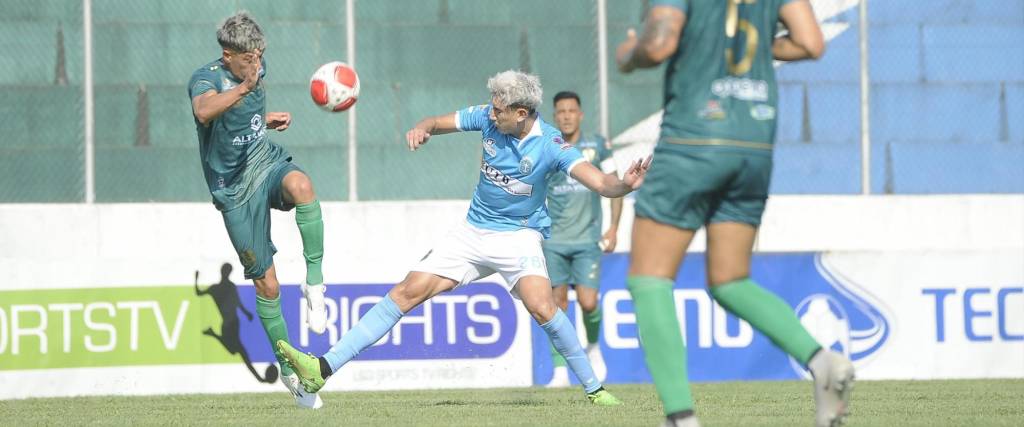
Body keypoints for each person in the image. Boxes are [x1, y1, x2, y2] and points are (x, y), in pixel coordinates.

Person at [277, 70, 651, 406]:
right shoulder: (488, 117)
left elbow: (601, 182)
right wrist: (422, 128)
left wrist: (625, 184)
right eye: (491, 106)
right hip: (472, 232)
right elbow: (438, 121)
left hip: (518, 237)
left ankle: (594, 389)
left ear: (520, 114)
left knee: (542, 306)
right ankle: (321, 369)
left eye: (499, 109)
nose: (491, 113)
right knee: (407, 292)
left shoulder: (551, 145)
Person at [615, 1, 852, 426]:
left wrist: (628, 55)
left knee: (649, 278)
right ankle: (820, 362)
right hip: (754, 146)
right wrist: (760, 51)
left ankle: (681, 418)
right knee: (730, 281)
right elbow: (811, 43)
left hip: (695, 139)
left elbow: (658, 46)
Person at [188, 11, 329, 409]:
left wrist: (263, 119)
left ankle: (315, 284)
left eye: (260, 54)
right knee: (267, 285)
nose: (257, 62)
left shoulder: (254, 67)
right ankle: (289, 369)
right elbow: (204, 111)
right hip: (232, 190)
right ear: (228, 54)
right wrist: (246, 87)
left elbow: (240, 116)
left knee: (302, 186)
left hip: (262, 160)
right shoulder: (207, 78)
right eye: (249, 57)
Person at [543, 91, 622, 387]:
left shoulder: (598, 146)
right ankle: (560, 370)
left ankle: (594, 347)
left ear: (580, 114)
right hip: (554, 241)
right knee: (556, 305)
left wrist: (613, 228)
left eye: (571, 110)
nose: (565, 115)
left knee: (589, 302)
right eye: (560, 111)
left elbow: (615, 184)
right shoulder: (545, 146)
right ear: (554, 116)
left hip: (588, 240)